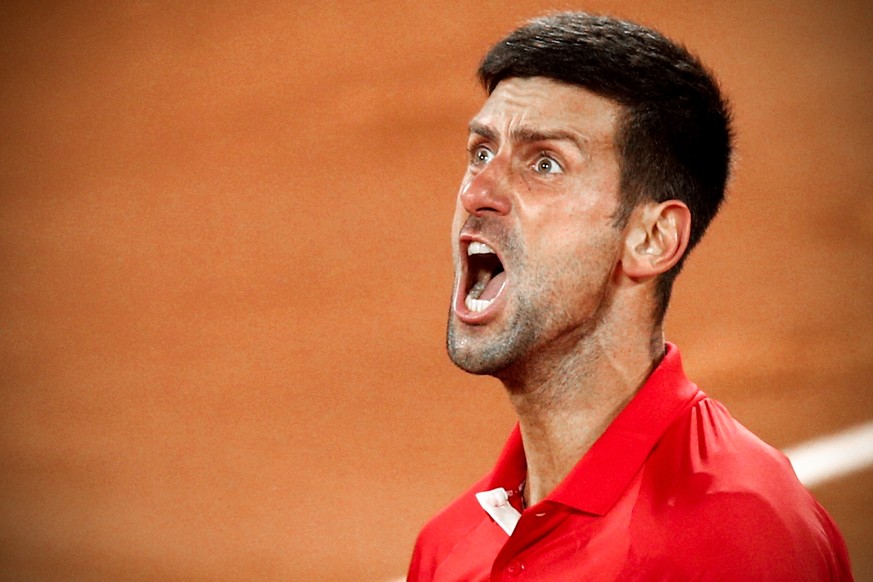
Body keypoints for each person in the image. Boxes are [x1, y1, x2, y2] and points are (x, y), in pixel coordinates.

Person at [406, 12, 853, 581]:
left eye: (545, 163)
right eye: (482, 153)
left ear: (650, 239)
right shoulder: (449, 548)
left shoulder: (734, 538)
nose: (477, 192)